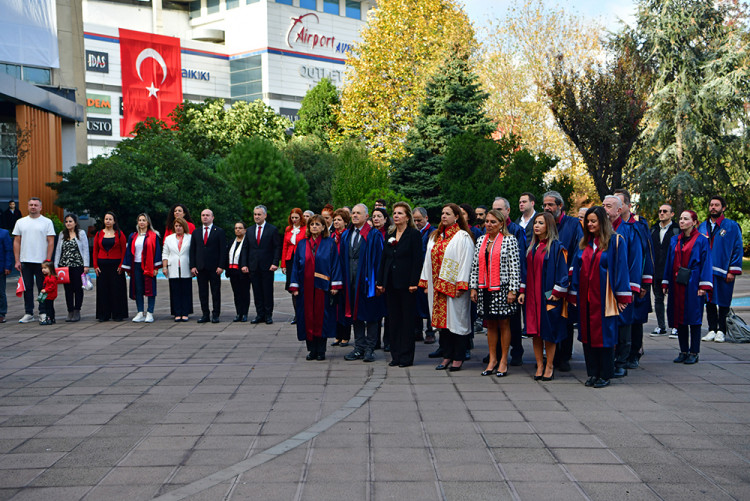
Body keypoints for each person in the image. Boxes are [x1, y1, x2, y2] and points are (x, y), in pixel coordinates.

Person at [569, 207, 631, 388]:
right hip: (586, 299)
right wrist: (573, 293)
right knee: (588, 336)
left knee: (605, 336)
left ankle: (605, 374)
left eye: (594, 221)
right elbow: (576, 268)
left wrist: (622, 298)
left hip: (605, 299)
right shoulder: (584, 244)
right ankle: (592, 373)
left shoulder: (615, 242)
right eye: (588, 221)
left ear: (602, 222)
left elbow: (621, 270)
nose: (589, 224)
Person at [419, 203, 474, 372]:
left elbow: (466, 262)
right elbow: (427, 259)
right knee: (443, 325)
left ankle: (458, 357)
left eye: (448, 213)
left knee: (457, 322)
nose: (444, 216)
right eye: (442, 213)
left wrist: (462, 284)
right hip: (437, 288)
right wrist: (426, 281)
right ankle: (447, 355)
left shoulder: (462, 237)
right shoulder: (435, 236)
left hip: (454, 288)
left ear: (456, 216)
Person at [518, 212, 569, 381]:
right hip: (532, 298)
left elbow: (562, 273)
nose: (536, 226)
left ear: (549, 225)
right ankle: (539, 365)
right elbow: (524, 272)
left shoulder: (556, 247)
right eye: (535, 223)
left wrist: (554, 294)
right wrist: (523, 291)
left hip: (547, 296)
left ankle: (549, 365)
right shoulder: (532, 247)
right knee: (535, 332)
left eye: (541, 223)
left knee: (549, 332)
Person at [469, 209, 521, 377]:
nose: (489, 225)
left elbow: (515, 267)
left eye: (493, 222)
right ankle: (492, 359)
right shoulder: (481, 240)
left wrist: (513, 290)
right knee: (490, 324)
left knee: (504, 323)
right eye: (487, 221)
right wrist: (473, 287)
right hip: (485, 287)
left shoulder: (509, 240)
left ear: (501, 224)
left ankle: (504, 360)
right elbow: (475, 265)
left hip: (503, 288)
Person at [289, 215, 343, 360]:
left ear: (324, 227)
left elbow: (335, 265)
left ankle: (321, 350)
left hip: (323, 287)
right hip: (305, 288)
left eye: (318, 224)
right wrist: (295, 286)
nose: (314, 227)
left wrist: (335, 285)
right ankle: (311, 350)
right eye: (312, 224)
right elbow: (295, 266)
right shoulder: (301, 244)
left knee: (322, 318)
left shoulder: (330, 243)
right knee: (307, 317)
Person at [377, 202, 423, 368]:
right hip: (391, 283)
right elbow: (384, 259)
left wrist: (413, 282)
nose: (396, 216)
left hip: (406, 284)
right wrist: (381, 281)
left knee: (407, 321)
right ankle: (395, 355)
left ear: (407, 217)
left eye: (399, 213)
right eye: (394, 213)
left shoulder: (413, 235)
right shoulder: (390, 234)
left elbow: (418, 260)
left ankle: (406, 356)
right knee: (393, 320)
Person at [663, 211, 713, 364]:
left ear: (694, 222)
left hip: (693, 282)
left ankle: (694, 352)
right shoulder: (674, 240)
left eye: (686, 219)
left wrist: (703, 285)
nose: (682, 221)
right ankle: (683, 350)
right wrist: (666, 282)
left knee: (694, 317)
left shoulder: (701, 240)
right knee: (679, 317)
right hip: (677, 282)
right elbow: (669, 262)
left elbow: (706, 262)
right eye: (681, 218)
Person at [541, 191, 583, 372]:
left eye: (550, 205)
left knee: (564, 318)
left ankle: (564, 356)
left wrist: (569, 278)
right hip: (546, 281)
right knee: (549, 316)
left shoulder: (573, 224)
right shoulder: (543, 223)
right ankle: (550, 355)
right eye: (545, 205)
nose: (547, 208)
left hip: (565, 280)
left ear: (560, 206)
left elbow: (579, 250)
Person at [602, 195, 642, 379]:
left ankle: (622, 362)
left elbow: (635, 260)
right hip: (604, 286)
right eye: (603, 205)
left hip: (622, 285)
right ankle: (608, 359)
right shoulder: (600, 231)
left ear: (619, 210)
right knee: (608, 325)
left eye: (608, 206)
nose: (604, 209)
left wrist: (630, 289)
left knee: (624, 324)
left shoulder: (629, 231)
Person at [614, 189, 654, 371]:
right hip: (616, 283)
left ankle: (634, 353)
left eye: (619, 203)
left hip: (634, 280)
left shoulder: (637, 226)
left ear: (627, 206)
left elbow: (646, 254)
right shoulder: (610, 225)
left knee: (635, 319)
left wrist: (645, 282)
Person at [341, 204, 386, 363]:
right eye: (353, 213)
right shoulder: (346, 235)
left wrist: (379, 282)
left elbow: (380, 260)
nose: (354, 216)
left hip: (368, 283)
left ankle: (369, 349)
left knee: (372, 316)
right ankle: (358, 347)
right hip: (351, 282)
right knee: (356, 315)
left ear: (367, 216)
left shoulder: (374, 235)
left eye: (358, 213)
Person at [698, 196, 743, 343]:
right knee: (709, 301)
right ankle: (712, 329)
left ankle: (721, 331)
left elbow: (737, 248)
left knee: (723, 300)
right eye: (711, 205)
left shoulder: (731, 226)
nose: (713, 207)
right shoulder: (702, 227)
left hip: (724, 271)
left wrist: (733, 269)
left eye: (717, 205)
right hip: (706, 271)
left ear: (723, 208)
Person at [491, 196, 527, 366]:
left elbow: (519, 259)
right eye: (494, 209)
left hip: (510, 283)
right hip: (493, 282)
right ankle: (496, 353)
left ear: (507, 211)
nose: (496, 213)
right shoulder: (490, 230)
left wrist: (517, 287)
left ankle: (517, 352)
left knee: (512, 320)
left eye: (500, 209)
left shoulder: (516, 230)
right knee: (495, 319)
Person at [13, 198, 55, 323]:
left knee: (43, 288)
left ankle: (42, 311)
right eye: (31, 205)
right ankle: (29, 312)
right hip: (25, 260)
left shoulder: (47, 222)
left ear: (40, 207)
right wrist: (17, 260)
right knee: (28, 288)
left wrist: (48, 260)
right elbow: (16, 241)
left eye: (36, 205)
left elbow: (51, 241)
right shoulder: (21, 222)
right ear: (27, 206)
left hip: (41, 262)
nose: (33, 207)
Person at [122, 213, 162, 323]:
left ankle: (150, 313)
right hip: (136, 265)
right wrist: (129, 268)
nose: (141, 222)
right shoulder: (133, 236)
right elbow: (129, 252)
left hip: (148, 265)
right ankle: (140, 312)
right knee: (138, 289)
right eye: (140, 220)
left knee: (150, 289)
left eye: (144, 220)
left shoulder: (153, 236)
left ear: (148, 222)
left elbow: (157, 252)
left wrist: (156, 267)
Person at [190, 209, 227, 323]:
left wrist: (221, 266)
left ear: (212, 217)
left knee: (215, 291)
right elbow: (193, 250)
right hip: (201, 268)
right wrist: (193, 266)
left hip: (215, 268)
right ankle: (205, 314)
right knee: (202, 292)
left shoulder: (219, 231)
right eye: (203, 215)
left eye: (207, 215)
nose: (205, 217)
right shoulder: (196, 232)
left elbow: (223, 250)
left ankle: (215, 314)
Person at [248, 205, 281, 324]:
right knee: (257, 292)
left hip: (267, 266)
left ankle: (268, 315)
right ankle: (259, 314)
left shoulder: (272, 229)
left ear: (265, 215)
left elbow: (277, 247)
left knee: (267, 291)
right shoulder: (250, 230)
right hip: (253, 266)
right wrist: (245, 264)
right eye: (255, 214)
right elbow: (246, 248)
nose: (256, 217)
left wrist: (275, 262)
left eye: (259, 214)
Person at [53, 214, 90, 322]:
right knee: (67, 289)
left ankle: (77, 310)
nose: (68, 223)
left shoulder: (81, 233)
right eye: (66, 222)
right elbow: (58, 251)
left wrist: (86, 265)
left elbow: (85, 249)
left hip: (77, 265)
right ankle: (70, 310)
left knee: (78, 288)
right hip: (65, 266)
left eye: (70, 221)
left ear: (75, 223)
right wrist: (56, 266)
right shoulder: (62, 234)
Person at [93, 212, 129, 322]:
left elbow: (124, 250)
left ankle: (118, 314)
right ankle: (103, 314)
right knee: (103, 290)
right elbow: (95, 250)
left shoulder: (119, 234)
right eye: (106, 219)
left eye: (110, 219)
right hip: (102, 266)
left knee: (117, 290)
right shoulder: (99, 234)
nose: (108, 221)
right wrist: (95, 266)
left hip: (116, 266)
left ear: (114, 221)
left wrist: (121, 265)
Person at [650, 204, 679, 337]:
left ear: (672, 214)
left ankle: (675, 326)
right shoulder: (654, 230)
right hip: (656, 271)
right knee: (658, 299)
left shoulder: (676, 230)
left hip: (671, 270)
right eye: (660, 211)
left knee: (674, 299)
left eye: (665, 211)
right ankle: (661, 326)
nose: (661, 213)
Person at [162, 217, 193, 322]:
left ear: (184, 227)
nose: (178, 228)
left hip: (185, 266)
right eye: (176, 226)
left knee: (186, 291)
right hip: (173, 267)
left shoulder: (190, 238)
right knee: (175, 291)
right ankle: (177, 312)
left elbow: (193, 253)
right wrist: (165, 267)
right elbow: (165, 254)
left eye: (180, 226)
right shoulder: (168, 238)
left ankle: (185, 312)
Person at [331, 208, 352, 347]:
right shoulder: (332, 236)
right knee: (335, 307)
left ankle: (345, 336)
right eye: (335, 220)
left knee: (345, 307)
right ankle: (337, 335)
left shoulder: (347, 235)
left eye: (339, 220)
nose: (336, 222)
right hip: (333, 274)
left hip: (344, 275)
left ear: (345, 222)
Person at [413, 207, 435, 344]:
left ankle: (430, 331)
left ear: (426, 218)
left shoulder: (432, 232)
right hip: (416, 272)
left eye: (419, 220)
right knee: (416, 302)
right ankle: (417, 330)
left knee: (429, 303)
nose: (417, 223)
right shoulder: (414, 232)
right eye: (414, 220)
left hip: (428, 272)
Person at [225, 221, 251, 322]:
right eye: (236, 228)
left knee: (244, 292)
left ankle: (245, 313)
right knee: (236, 293)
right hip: (233, 271)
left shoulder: (247, 242)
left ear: (245, 230)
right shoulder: (232, 242)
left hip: (243, 272)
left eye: (240, 228)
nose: (238, 230)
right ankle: (238, 313)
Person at [282, 208, 304, 324]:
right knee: (293, 287)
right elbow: (285, 246)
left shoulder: (305, 229)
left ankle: (302, 313)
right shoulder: (288, 229)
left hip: (301, 260)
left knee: (301, 287)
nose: (294, 220)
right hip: (290, 260)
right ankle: (296, 315)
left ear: (301, 217)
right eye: (292, 218)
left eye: (296, 217)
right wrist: (283, 265)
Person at [39, 261, 58, 325]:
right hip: (47, 295)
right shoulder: (47, 277)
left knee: (49, 307)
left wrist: (46, 290)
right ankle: (49, 318)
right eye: (42, 268)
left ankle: (50, 318)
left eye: (45, 268)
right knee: (48, 307)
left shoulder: (51, 278)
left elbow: (52, 287)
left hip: (50, 295)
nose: (43, 270)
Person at [0, 224, 12, 323]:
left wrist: (8, 266)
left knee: (1, 292)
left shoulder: (4, 233)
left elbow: (8, 250)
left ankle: (1, 313)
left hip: (1, 268)